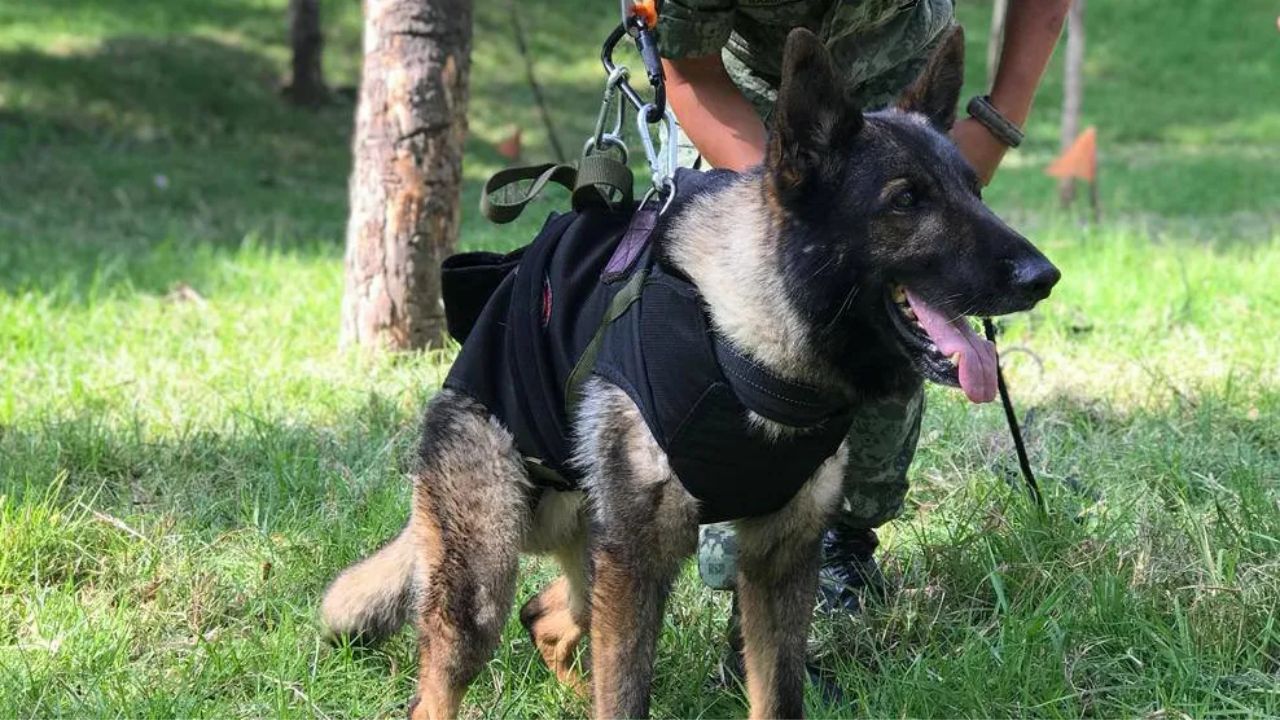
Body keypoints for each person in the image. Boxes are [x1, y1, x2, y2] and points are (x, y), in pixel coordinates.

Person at [655, 0, 1073, 678]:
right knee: (746, 357)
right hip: (748, 101)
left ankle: (841, 546)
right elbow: (692, 72)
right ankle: (739, 586)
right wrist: (790, 198)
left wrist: (994, 124)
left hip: (906, 81)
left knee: (880, 362)